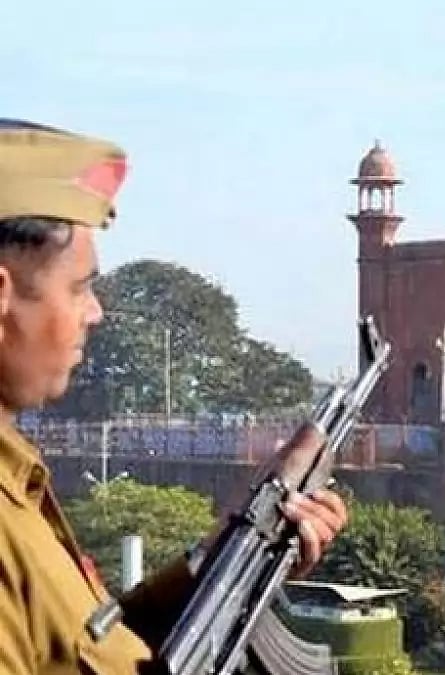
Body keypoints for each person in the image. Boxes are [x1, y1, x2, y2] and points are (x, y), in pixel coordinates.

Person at [0, 118, 349, 673]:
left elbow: (85, 648)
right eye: (79, 286)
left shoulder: (17, 481)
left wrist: (230, 557)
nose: (95, 312)